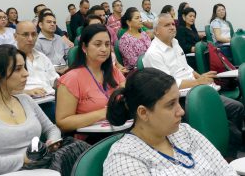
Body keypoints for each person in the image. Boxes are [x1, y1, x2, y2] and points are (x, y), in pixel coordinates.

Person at [143, 13, 244, 158]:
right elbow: (168, 85)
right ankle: (222, 154)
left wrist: (201, 77)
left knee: (237, 108)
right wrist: (198, 82)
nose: (172, 27)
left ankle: (230, 153)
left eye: (173, 24)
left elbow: (187, 69)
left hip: (195, 89)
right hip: (179, 101)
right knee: (227, 127)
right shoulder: (153, 54)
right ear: (156, 31)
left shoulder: (175, 43)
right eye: (167, 25)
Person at [103, 68, 237, 176]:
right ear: (143, 113)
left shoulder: (185, 132)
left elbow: (224, 170)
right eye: (170, 104)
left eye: (178, 101)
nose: (181, 112)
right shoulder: (125, 160)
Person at [0, 44, 62, 175]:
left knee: (77, 153)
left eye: (24, 67)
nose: (26, 74)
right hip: (9, 173)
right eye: (18, 69)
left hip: (40, 167)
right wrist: (23, 159)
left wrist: (52, 141)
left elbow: (51, 128)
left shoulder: (25, 100)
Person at [56, 24, 125, 138]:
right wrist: (103, 114)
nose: (104, 49)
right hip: (90, 140)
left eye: (107, 44)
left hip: (119, 131)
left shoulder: (114, 71)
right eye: (98, 44)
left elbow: (127, 97)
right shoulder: (72, 78)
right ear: (84, 47)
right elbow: (63, 122)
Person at [15, 21, 59, 122]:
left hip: (50, 99)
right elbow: (1, 90)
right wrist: (26, 92)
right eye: (25, 34)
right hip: (26, 105)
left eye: (34, 34)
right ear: (15, 36)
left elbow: (55, 81)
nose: (30, 39)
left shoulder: (42, 57)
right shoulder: (9, 59)